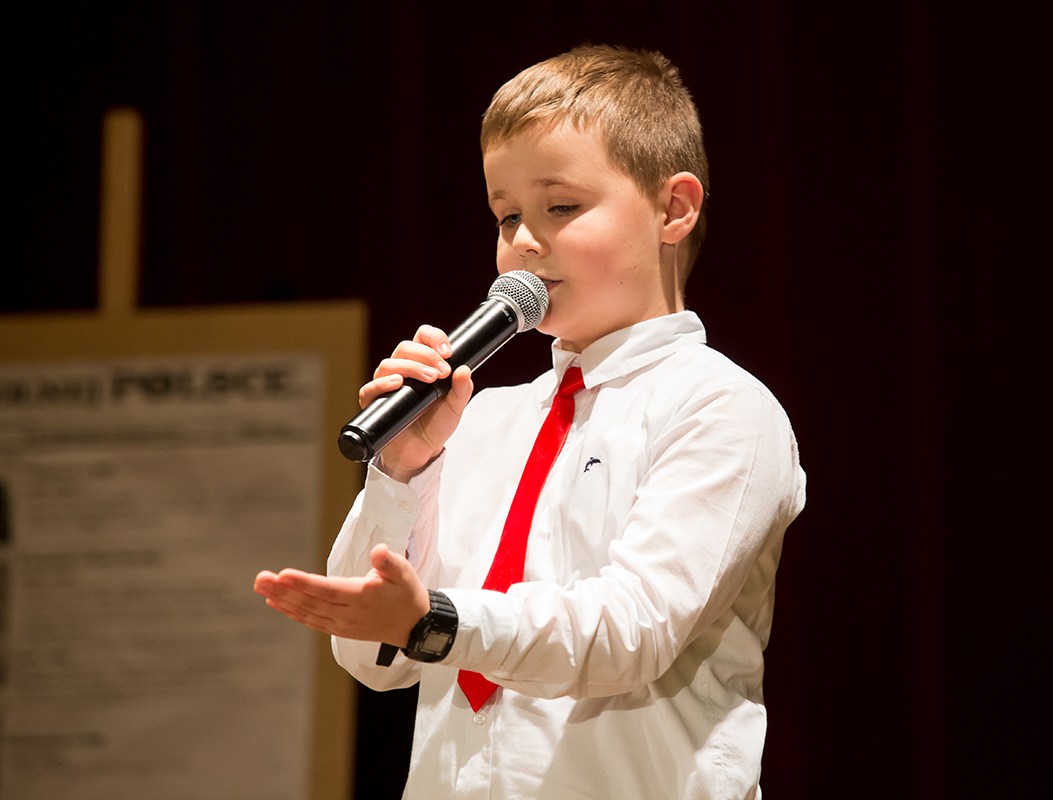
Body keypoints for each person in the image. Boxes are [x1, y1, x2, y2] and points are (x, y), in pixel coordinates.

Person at [254, 44, 806, 799]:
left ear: (673, 209)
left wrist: (436, 620)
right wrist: (399, 473)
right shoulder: (482, 419)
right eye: (507, 214)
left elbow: (632, 630)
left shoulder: (719, 406)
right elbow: (373, 661)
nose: (523, 240)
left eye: (561, 207)